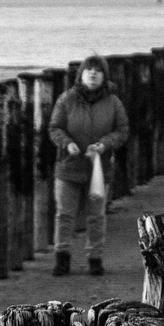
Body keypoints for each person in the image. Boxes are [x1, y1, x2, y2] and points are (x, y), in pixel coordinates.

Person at [47, 55, 129, 276]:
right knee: (64, 215)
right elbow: (55, 127)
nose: (93, 74)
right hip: (68, 168)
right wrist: (67, 143)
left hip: (98, 171)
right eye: (88, 70)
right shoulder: (66, 99)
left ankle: (95, 258)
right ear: (81, 74)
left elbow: (122, 131)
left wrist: (104, 144)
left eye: (97, 71)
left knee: (96, 216)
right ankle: (62, 258)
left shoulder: (113, 102)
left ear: (104, 76)